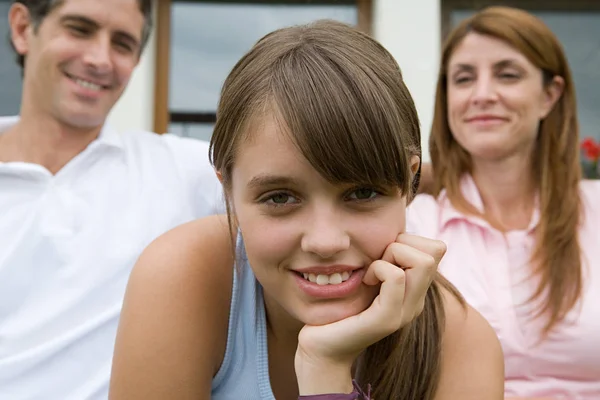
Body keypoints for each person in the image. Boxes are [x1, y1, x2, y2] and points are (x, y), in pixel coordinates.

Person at [109, 20, 504, 400]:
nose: (325, 241)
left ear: (409, 182)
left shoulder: (458, 345)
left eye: (362, 192)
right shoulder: (185, 277)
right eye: (280, 198)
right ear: (226, 189)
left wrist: (325, 370)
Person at [0, 1, 223, 399]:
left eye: (122, 44)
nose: (100, 59)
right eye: (79, 29)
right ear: (21, 29)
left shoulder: (187, 173)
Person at [407, 6, 600, 400]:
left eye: (507, 75)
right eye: (463, 79)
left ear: (550, 95)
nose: (482, 95)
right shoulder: (413, 226)